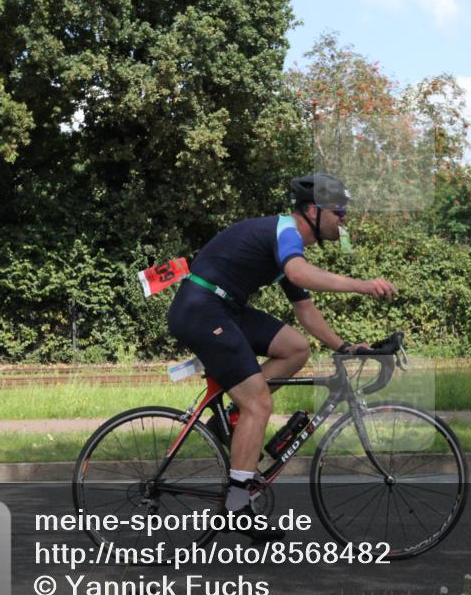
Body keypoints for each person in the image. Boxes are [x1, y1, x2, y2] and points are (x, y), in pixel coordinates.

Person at [167, 173, 398, 540]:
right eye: (338, 211)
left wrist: (344, 347)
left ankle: (234, 418)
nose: (344, 219)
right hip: (202, 308)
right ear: (313, 211)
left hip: (224, 308)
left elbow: (305, 312)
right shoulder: (286, 233)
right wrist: (362, 285)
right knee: (259, 401)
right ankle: (237, 503)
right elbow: (297, 271)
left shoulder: (289, 249)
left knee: (296, 348)